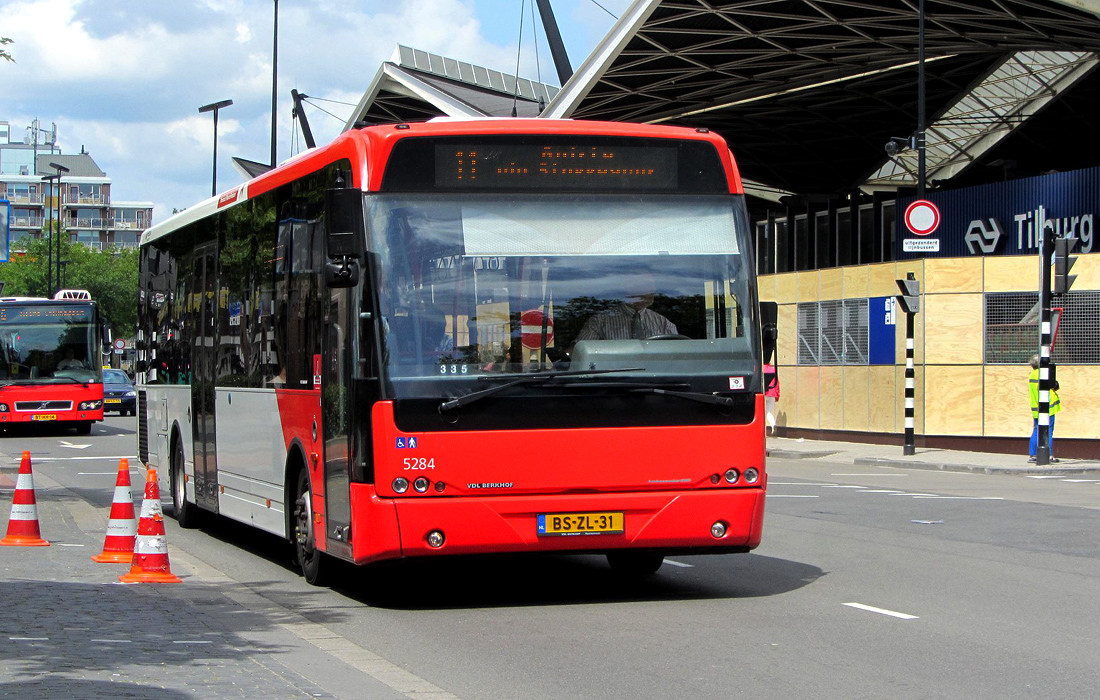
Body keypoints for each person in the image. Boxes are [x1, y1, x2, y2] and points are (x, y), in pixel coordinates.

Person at [574, 272, 678, 342]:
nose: (653, 290)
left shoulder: (663, 323)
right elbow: (579, 354)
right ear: (629, 288)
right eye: (646, 285)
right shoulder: (600, 321)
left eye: (653, 285)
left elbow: (677, 355)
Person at [1028, 354, 1063, 463]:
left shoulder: (1032, 375)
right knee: (1048, 432)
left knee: (1036, 430)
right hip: (1048, 408)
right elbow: (1054, 386)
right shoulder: (1043, 374)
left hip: (1036, 409)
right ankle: (1049, 455)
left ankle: (1033, 454)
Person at [763, 363, 780, 434]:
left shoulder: (760, 369)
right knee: (769, 412)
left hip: (764, 393)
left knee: (762, 412)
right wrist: (777, 395)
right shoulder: (773, 370)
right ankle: (773, 425)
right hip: (772, 394)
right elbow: (777, 383)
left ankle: (763, 429)